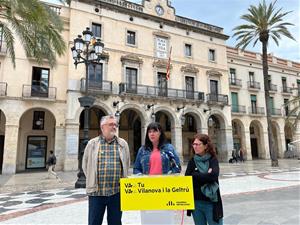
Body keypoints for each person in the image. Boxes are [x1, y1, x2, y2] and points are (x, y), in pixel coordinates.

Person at [82, 115, 130, 225]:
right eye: (111, 124)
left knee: (115, 222)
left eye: (115, 125)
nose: (114, 127)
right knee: (94, 222)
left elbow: (126, 164)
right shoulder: (92, 144)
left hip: (116, 193)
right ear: (102, 127)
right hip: (96, 193)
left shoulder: (123, 144)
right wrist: (92, 179)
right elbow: (85, 165)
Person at [133, 122, 181, 225]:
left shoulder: (169, 148)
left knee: (165, 219)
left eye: (155, 131)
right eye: (149, 131)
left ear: (160, 133)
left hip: (164, 191)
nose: (152, 134)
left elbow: (177, 168)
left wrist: (167, 176)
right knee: (148, 220)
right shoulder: (142, 150)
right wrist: (143, 178)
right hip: (147, 191)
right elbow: (136, 169)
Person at [185, 133, 223, 225]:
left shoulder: (212, 159)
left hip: (211, 202)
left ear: (205, 146)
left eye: (198, 144)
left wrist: (195, 175)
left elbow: (213, 176)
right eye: (194, 144)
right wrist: (205, 175)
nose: (195, 146)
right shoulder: (192, 161)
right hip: (196, 202)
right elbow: (187, 179)